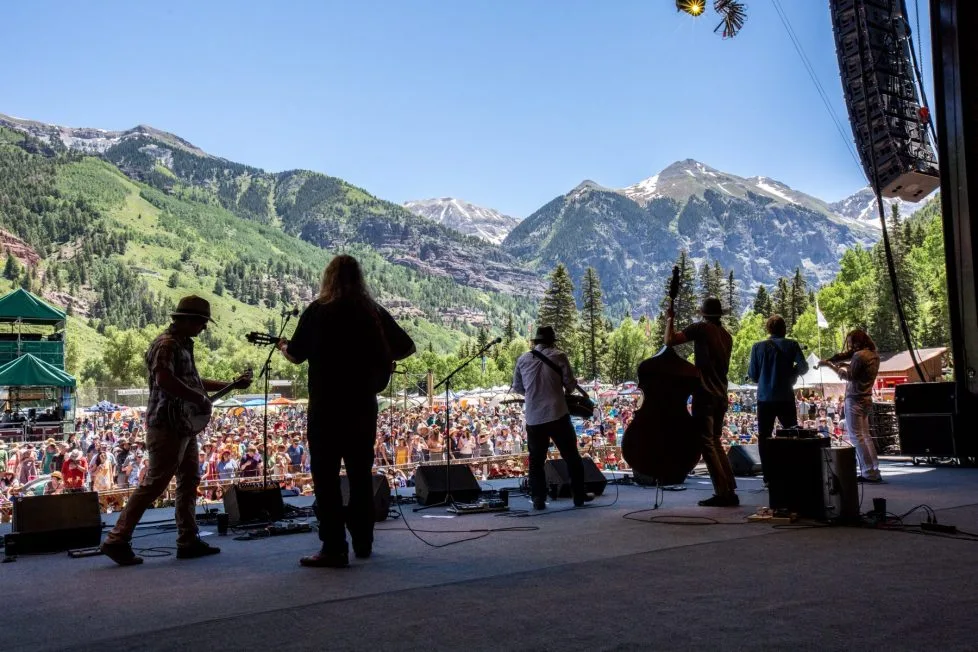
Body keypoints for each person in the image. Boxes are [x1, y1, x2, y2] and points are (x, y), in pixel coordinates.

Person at [278, 255, 415, 568]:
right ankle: (364, 542)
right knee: (359, 476)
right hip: (362, 405)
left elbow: (297, 356)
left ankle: (334, 547)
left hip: (326, 406)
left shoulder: (317, 310)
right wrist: (379, 361)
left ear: (329, 278)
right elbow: (406, 346)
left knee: (325, 478)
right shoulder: (372, 311)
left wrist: (283, 347)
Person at [100, 295, 252, 566]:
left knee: (189, 479)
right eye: (202, 322)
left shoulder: (181, 345)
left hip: (182, 426)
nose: (204, 328)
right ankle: (117, 538)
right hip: (166, 424)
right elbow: (164, 379)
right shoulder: (166, 345)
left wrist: (228, 385)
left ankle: (188, 539)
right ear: (189, 320)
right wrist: (197, 398)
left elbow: (193, 381)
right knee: (155, 484)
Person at [665, 297, 738, 507]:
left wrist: (670, 319)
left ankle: (722, 492)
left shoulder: (700, 329)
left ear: (703, 314)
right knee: (715, 440)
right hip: (721, 394)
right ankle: (729, 489)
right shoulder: (727, 336)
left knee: (707, 442)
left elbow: (669, 341)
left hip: (705, 393)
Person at [512, 325, 594, 510]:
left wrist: (535, 392)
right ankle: (579, 496)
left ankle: (538, 499)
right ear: (552, 341)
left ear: (536, 341)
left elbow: (518, 387)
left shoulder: (523, 359)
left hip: (534, 417)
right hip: (557, 413)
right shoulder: (559, 356)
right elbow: (570, 386)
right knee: (571, 456)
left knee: (536, 461)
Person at [747, 314, 808, 485]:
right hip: (785, 397)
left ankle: (768, 477)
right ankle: (794, 473)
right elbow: (803, 367)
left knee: (764, 436)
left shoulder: (757, 347)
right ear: (784, 329)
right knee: (792, 434)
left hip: (764, 398)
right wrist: (791, 374)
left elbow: (752, 375)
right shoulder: (792, 345)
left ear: (768, 329)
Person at [818, 329, 881, 483]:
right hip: (866, 398)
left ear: (857, 341)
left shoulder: (859, 356)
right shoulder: (874, 355)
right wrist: (847, 363)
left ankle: (867, 472)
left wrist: (829, 366)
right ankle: (874, 470)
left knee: (856, 437)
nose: (850, 346)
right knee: (866, 436)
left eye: (851, 342)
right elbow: (858, 371)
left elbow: (849, 376)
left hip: (855, 399)